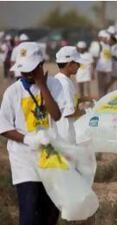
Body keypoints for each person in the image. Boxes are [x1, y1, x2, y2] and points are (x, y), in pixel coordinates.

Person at [0, 42, 62, 225]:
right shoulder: (13, 92)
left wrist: (42, 85)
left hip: (51, 156)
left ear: (40, 65)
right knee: (29, 212)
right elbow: (3, 126)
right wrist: (28, 138)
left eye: (31, 70)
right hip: (24, 159)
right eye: (23, 70)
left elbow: (56, 115)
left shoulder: (54, 85)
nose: (26, 74)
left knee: (50, 213)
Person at [54, 46, 87, 144]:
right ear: (69, 64)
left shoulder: (60, 79)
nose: (79, 66)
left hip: (61, 133)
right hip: (66, 135)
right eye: (77, 63)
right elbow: (69, 113)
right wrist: (88, 112)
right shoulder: (65, 84)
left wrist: (83, 99)